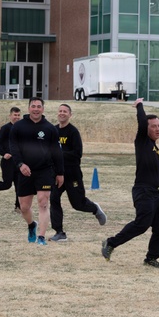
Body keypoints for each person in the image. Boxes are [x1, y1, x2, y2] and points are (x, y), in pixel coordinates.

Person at [101, 98, 159, 268]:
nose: (157, 129)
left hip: (154, 192)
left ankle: (151, 258)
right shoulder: (142, 142)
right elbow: (141, 122)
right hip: (143, 190)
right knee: (142, 224)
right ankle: (110, 243)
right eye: (153, 126)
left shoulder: (154, 146)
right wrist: (139, 106)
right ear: (146, 129)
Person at [8, 97, 64, 246]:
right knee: (24, 207)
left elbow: (57, 152)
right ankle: (32, 225)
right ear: (29, 108)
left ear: (43, 109)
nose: (36, 109)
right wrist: (20, 164)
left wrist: (60, 173)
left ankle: (41, 237)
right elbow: (13, 148)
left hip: (44, 171)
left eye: (39, 106)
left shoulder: (50, 128)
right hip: (24, 170)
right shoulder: (18, 127)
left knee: (43, 203)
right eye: (33, 106)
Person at [48, 103, 106, 242]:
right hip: (57, 174)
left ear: (70, 115)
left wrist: (59, 154)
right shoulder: (53, 131)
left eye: (65, 111)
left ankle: (94, 208)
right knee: (54, 199)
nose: (62, 113)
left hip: (72, 174)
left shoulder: (73, 132)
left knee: (78, 204)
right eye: (60, 111)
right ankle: (59, 232)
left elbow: (77, 154)